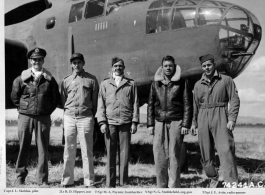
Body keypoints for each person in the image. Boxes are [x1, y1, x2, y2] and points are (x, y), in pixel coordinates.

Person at [11, 47, 60, 186]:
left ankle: (42, 180)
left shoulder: (50, 80)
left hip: (43, 118)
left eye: (39, 59)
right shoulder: (21, 78)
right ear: (30, 61)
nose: (36, 61)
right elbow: (14, 97)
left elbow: (55, 99)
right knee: (23, 148)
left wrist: (46, 111)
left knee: (43, 149)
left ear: (43, 60)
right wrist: (23, 109)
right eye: (34, 59)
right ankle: (20, 177)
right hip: (25, 117)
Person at [190, 54, 240, 187]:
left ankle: (232, 184)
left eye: (209, 65)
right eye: (204, 66)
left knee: (226, 150)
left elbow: (234, 100)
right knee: (205, 152)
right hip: (203, 117)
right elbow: (195, 105)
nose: (207, 68)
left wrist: (232, 119)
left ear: (214, 64)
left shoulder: (226, 80)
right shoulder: (197, 85)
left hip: (221, 115)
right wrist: (194, 123)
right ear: (202, 67)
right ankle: (213, 179)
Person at [147, 55, 193, 188]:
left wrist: (186, 124)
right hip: (159, 122)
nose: (168, 68)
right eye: (165, 66)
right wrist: (150, 124)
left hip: (176, 122)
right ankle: (161, 186)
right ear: (162, 67)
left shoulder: (182, 83)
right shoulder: (155, 84)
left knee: (174, 154)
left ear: (174, 67)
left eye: (170, 66)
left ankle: (174, 186)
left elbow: (187, 104)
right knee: (159, 154)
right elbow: (151, 105)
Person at [96, 57, 139, 188]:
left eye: (120, 66)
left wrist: (134, 122)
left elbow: (135, 103)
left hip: (125, 122)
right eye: (115, 66)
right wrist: (102, 122)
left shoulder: (131, 84)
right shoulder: (104, 84)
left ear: (124, 68)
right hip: (110, 123)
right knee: (110, 154)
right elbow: (101, 104)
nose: (118, 68)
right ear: (112, 68)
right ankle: (110, 184)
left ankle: (124, 183)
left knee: (124, 154)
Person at [60, 53, 99, 187]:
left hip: (85, 117)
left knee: (87, 150)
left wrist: (89, 114)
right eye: (74, 62)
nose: (77, 65)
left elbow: (94, 102)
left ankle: (89, 181)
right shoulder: (66, 80)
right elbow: (63, 100)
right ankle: (67, 180)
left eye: (79, 62)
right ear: (71, 64)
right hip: (70, 117)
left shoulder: (91, 80)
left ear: (83, 63)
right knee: (68, 150)